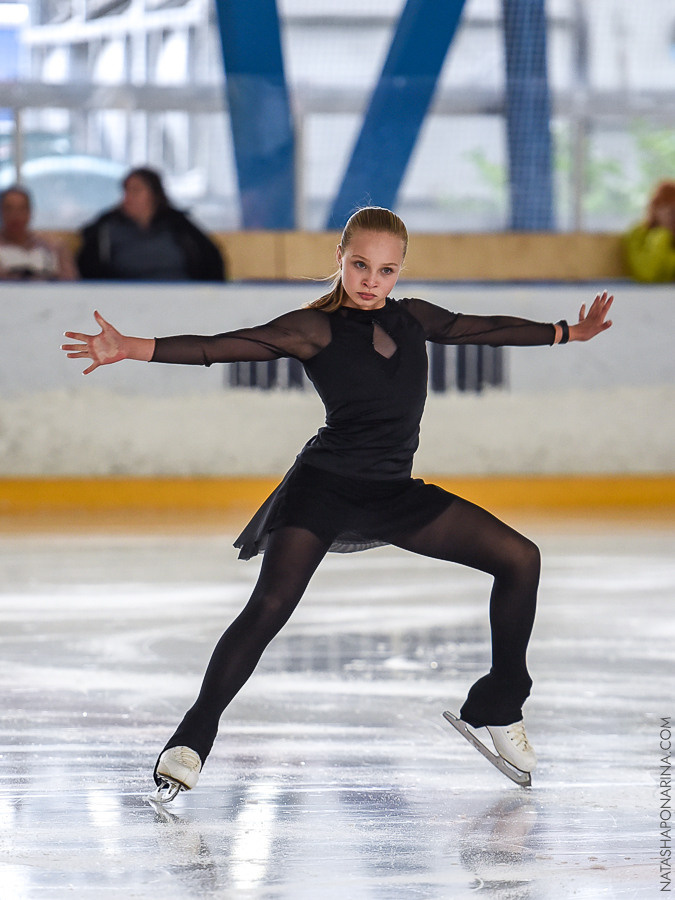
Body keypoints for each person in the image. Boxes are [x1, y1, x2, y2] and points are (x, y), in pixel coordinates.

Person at [61, 207, 614, 799]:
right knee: (270, 605)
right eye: (360, 265)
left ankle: (501, 703)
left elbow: (484, 329)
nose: (372, 280)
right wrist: (131, 347)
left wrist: (565, 332)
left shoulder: (416, 319)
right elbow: (220, 347)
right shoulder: (312, 328)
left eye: (386, 269)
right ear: (340, 260)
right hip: (322, 487)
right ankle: (191, 739)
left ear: (400, 271)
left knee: (520, 558)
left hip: (392, 492)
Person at [76, 167, 226, 282]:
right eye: (126, 191)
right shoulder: (106, 228)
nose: (128, 198)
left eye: (136, 191)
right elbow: (89, 271)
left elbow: (211, 261)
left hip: (182, 298)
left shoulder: (178, 225)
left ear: (154, 194)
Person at [0, 185, 78, 281]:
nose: (15, 215)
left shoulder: (53, 248)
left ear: (30, 212)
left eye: (22, 209)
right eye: (9, 209)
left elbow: (72, 284)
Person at [623, 180, 675, 282]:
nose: (673, 218)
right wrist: (662, 235)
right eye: (671, 211)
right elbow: (648, 274)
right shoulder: (638, 233)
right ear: (656, 208)